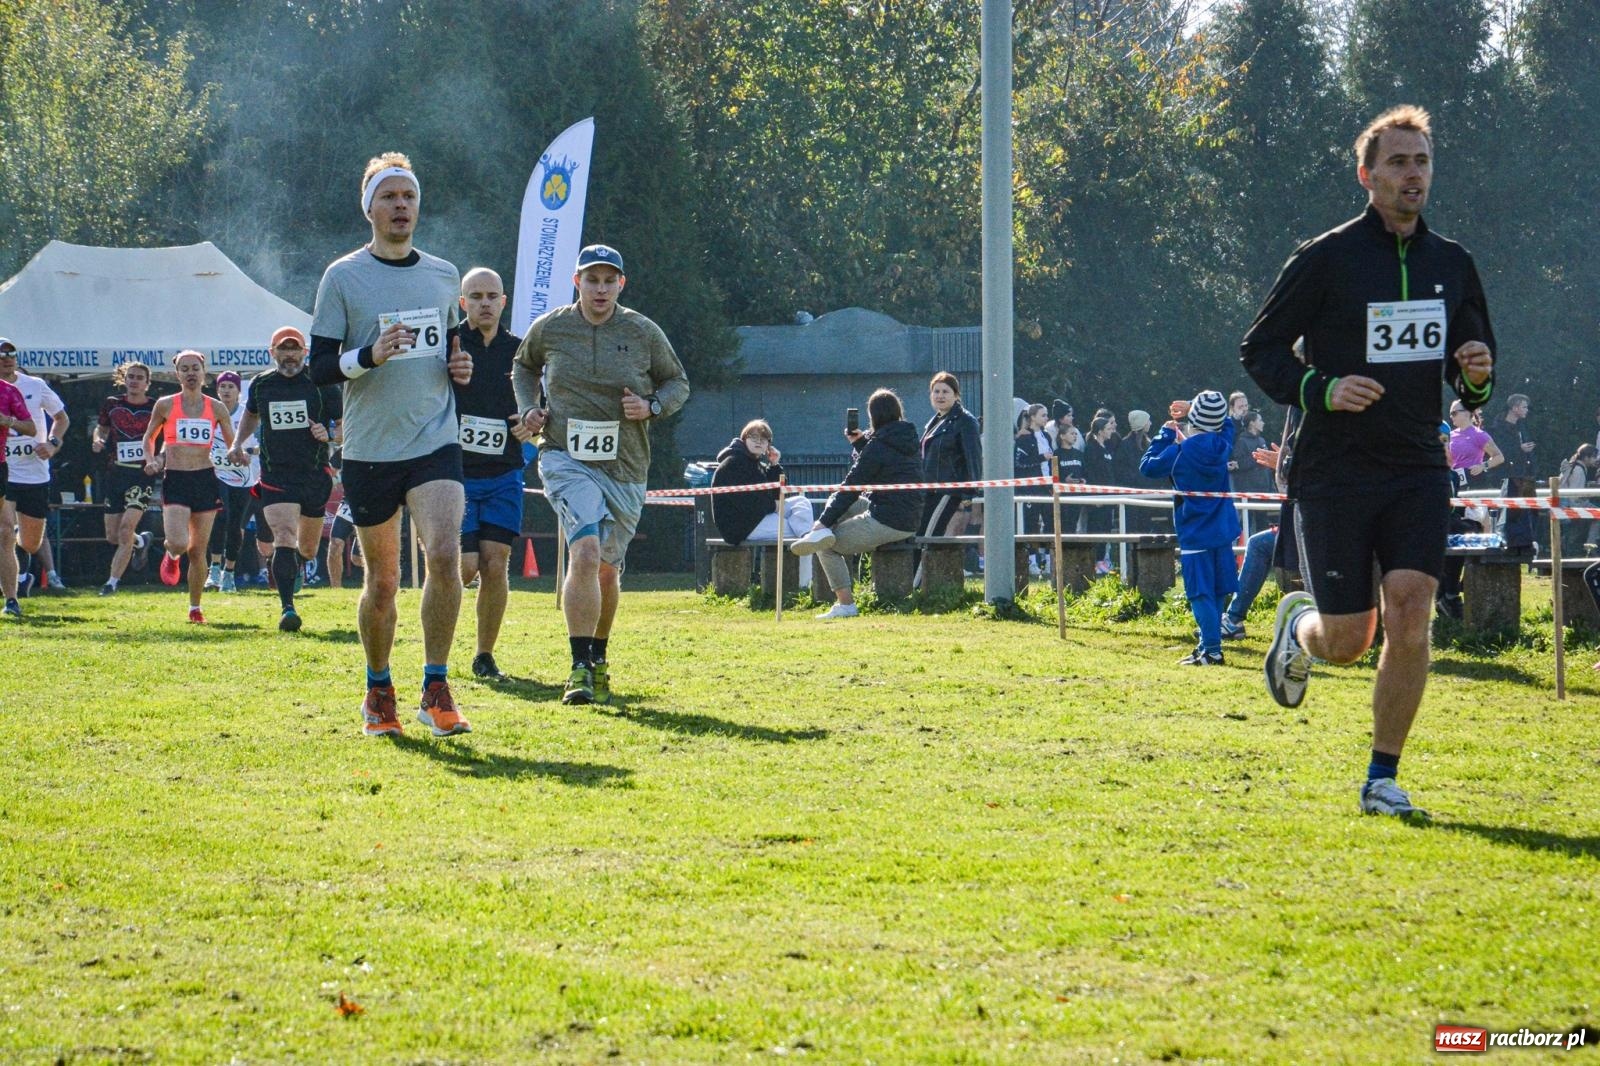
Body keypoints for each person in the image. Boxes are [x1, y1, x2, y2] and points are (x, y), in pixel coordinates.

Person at [1240, 104, 1496, 819]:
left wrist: (1475, 373)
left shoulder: (1453, 263)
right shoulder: (1324, 258)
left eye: (1421, 162)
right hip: (1335, 469)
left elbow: (1471, 368)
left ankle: (1382, 777)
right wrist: (1321, 388)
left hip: (1417, 464)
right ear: (1367, 175)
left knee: (1411, 610)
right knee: (1351, 640)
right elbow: (1258, 350)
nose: (1412, 175)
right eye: (1398, 163)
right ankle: (1301, 629)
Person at [307, 151, 474, 738]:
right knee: (381, 582)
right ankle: (379, 688)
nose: (401, 205)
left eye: (409, 196)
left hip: (434, 440)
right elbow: (320, 366)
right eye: (390, 197)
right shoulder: (343, 276)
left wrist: (460, 366)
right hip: (371, 448)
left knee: (446, 555)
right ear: (370, 209)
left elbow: (450, 345)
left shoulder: (443, 274)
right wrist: (370, 356)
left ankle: (436, 684)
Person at [511, 243, 690, 705]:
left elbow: (678, 382)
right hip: (564, 457)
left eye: (610, 281)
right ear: (577, 282)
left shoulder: (643, 331)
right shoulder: (552, 328)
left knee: (607, 571)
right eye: (592, 280)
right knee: (585, 553)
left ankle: (599, 657)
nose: (601, 289)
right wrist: (530, 408)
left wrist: (650, 406)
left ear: (621, 285)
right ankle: (578, 667)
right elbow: (523, 366)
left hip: (626, 466)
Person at [229, 326, 340, 632]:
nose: (289, 354)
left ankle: (296, 566)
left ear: (304, 352)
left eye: (294, 349)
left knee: (306, 548)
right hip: (276, 473)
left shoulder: (322, 383)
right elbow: (251, 414)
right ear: (272, 352)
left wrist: (329, 433)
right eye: (283, 348)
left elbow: (346, 428)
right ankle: (287, 607)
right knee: (284, 536)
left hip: (315, 475)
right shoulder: (262, 384)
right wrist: (238, 443)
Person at [790, 388, 924, 618]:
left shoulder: (877, 446)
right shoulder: (907, 439)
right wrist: (861, 444)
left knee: (827, 546)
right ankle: (823, 531)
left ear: (873, 416)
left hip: (888, 519)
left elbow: (852, 486)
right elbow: (886, 463)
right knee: (834, 502)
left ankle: (846, 604)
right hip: (908, 514)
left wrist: (822, 523)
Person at [450, 267, 525, 680]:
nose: (484, 303)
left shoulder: (519, 351)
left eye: (491, 296)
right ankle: (439, 634)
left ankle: (484, 654)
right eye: (475, 296)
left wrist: (530, 422)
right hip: (454, 475)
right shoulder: (450, 344)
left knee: (495, 563)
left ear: (503, 301)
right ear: (463, 303)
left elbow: (538, 405)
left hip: (504, 473)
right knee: (464, 567)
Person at [1141, 392, 1240, 664]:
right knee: (1218, 590)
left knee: (1199, 592)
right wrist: (1195, 410)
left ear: (1193, 419)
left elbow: (1147, 467)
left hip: (1195, 532)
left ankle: (1211, 650)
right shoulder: (1222, 443)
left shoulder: (1178, 452)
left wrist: (1165, 432)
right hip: (1223, 529)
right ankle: (1209, 646)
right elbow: (1228, 424)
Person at [142, 350, 234, 623]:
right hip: (176, 478)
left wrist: (237, 453)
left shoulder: (216, 407)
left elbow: (232, 443)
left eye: (195, 368)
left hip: (205, 478)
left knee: (198, 550)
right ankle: (171, 554)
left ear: (204, 373)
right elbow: (149, 438)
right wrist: (150, 459)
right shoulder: (165, 404)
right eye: (185, 369)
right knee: (181, 543)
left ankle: (195, 607)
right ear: (177, 374)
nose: (191, 373)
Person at [0, 338, 68, 609]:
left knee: (29, 542)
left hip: (34, 472)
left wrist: (52, 444)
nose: (6, 358)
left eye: (10, 354)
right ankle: (11, 597)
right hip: (6, 470)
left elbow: (62, 418)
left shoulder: (34, 386)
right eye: (1, 355)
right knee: (4, 532)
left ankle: (21, 569)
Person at [711, 419, 815, 589]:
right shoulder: (734, 462)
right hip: (742, 525)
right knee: (798, 529)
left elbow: (776, 493)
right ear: (744, 439)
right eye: (753, 437)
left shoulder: (755, 463)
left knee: (802, 502)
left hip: (759, 517)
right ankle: (805, 582)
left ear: (769, 444)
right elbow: (745, 501)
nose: (758, 442)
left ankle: (807, 540)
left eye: (764, 439)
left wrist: (774, 465)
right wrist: (773, 506)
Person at [92, 361, 159, 596]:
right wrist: (98, 439)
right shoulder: (112, 403)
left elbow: (169, 438)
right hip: (115, 472)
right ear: (123, 379)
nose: (134, 381)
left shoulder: (155, 407)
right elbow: (101, 428)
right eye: (130, 376)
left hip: (141, 475)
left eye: (140, 377)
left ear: (147, 384)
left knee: (125, 528)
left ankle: (111, 583)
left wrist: (158, 460)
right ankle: (140, 541)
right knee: (113, 536)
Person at [913, 371, 981, 588]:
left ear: (956, 394)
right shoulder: (934, 421)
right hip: (928, 491)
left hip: (948, 491)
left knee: (927, 537)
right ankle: (916, 585)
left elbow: (973, 458)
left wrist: (968, 495)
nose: (940, 396)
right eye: (936, 391)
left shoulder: (965, 421)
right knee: (920, 534)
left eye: (945, 391)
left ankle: (915, 586)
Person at [205, 370, 260, 593]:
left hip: (244, 476)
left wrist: (243, 450)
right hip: (216, 474)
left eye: (231, 387)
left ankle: (229, 573)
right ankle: (214, 569)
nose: (226, 390)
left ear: (239, 391)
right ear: (217, 390)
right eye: (223, 386)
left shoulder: (248, 415)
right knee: (221, 515)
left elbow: (262, 445)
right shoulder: (209, 413)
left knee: (236, 524)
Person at [0, 364, 37, 618]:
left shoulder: (8, 391)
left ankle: (11, 599)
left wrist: (8, 421)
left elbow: (31, 427)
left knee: (4, 533)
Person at [1489, 393, 1537, 550]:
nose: (1526, 410)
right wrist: (1519, 449)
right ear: (1514, 407)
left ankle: (1525, 544)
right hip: (1508, 476)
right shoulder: (1499, 427)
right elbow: (1498, 452)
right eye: (1524, 407)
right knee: (1510, 512)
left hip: (1524, 475)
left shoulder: (1522, 426)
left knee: (1528, 510)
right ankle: (1509, 543)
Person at [1557, 443, 1599, 556]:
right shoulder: (1579, 470)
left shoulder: (1575, 466)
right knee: (1599, 514)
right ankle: (1590, 545)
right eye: (1594, 457)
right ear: (1586, 458)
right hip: (1570, 506)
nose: (1596, 459)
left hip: (1566, 505)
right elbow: (1575, 496)